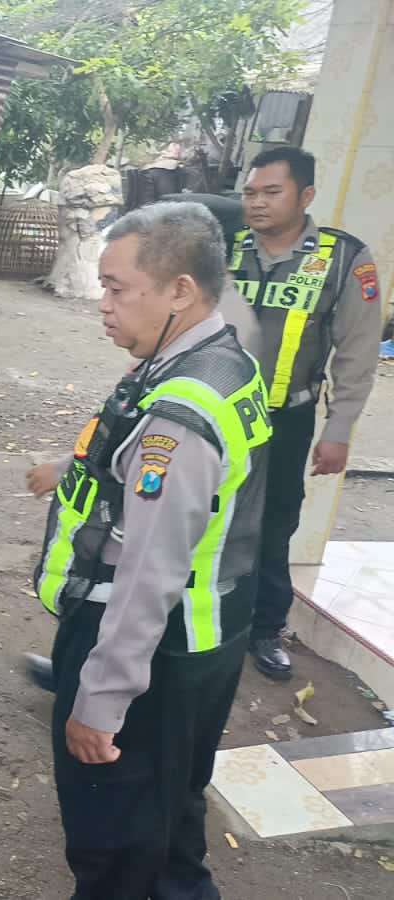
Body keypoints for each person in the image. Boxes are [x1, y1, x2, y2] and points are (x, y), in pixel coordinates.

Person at [32, 202, 271, 898]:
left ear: (181, 292)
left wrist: (100, 700)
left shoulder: (180, 416)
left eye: (117, 288)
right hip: (205, 638)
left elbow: (149, 571)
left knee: (114, 847)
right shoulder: (218, 357)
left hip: (154, 651)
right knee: (168, 827)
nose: (101, 304)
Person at [230, 146, 380, 681]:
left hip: (284, 420)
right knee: (193, 512)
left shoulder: (343, 258)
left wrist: (338, 430)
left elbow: (359, 351)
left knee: (274, 523)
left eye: (272, 192)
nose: (257, 203)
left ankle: (265, 628)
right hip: (214, 415)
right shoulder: (222, 246)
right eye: (250, 192)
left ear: (306, 196)